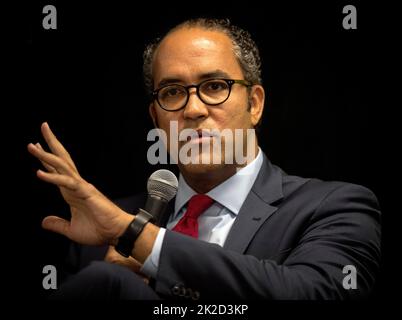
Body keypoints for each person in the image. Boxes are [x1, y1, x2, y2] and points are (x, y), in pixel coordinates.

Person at [28, 18, 381, 300]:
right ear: (156, 119)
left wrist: (135, 236)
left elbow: (316, 292)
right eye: (173, 92)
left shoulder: (335, 207)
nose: (193, 109)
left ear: (254, 103)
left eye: (214, 86)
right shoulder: (96, 237)